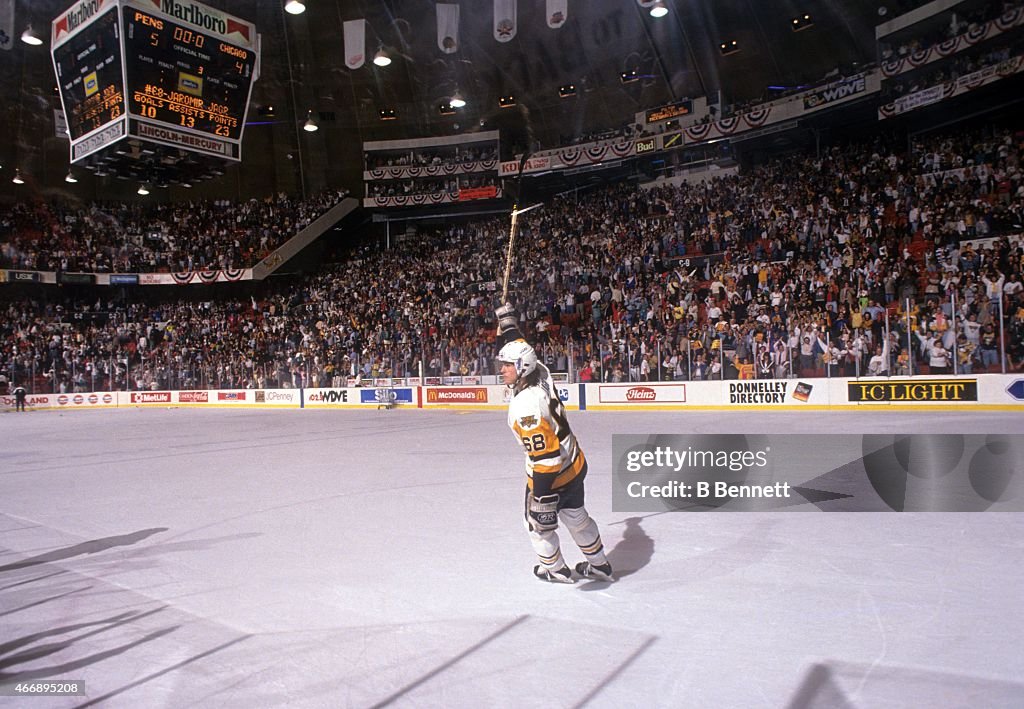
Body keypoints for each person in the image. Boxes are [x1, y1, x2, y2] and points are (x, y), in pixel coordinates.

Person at [494, 303, 613, 584]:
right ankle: (600, 565)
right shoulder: (543, 375)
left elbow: (546, 458)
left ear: (521, 367)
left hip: (553, 474)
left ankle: (556, 569)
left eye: (507, 366)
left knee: (536, 525)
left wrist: (541, 496)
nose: (502, 370)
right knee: (577, 517)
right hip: (574, 463)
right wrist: (507, 322)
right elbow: (520, 346)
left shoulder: (525, 405)